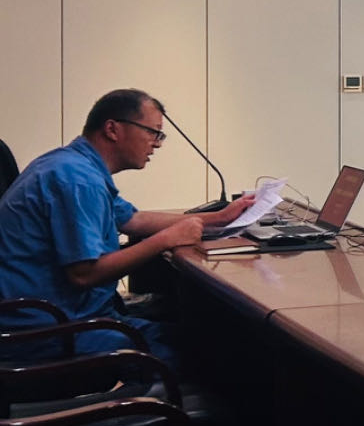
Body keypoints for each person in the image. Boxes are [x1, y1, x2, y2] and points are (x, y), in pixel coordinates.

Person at [0, 89, 257, 355]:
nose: (157, 144)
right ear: (112, 129)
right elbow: (84, 274)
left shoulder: (72, 164)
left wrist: (219, 218)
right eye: (153, 132)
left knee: (201, 340)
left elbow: (133, 219)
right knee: (207, 353)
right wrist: (166, 240)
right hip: (47, 332)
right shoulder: (77, 180)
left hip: (63, 317)